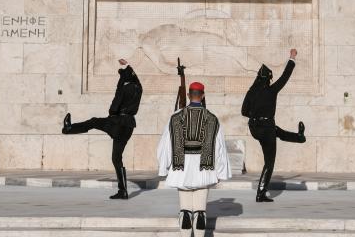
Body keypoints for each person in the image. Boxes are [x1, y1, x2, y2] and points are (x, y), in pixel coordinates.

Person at [157, 81, 231, 237]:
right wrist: (221, 172)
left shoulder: (175, 117)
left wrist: (164, 167)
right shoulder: (212, 118)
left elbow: (165, 145)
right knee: (200, 212)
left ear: (189, 95)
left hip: (181, 169)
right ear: (203, 96)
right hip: (204, 170)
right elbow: (220, 148)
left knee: (184, 211)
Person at [62, 59, 142, 200]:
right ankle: (123, 191)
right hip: (129, 125)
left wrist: (113, 110)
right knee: (117, 158)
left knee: (93, 122)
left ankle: (69, 128)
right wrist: (129, 66)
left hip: (117, 123)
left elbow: (113, 108)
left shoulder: (124, 88)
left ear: (124, 77)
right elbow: (135, 77)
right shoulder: (139, 88)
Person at [241, 48, 305, 202]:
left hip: (255, 128)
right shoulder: (271, 91)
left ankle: (299, 137)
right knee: (269, 162)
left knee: (278, 132)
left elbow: (244, 111)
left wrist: (255, 116)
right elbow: (285, 76)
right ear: (268, 79)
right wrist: (292, 58)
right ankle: (261, 193)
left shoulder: (251, 92)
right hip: (266, 128)